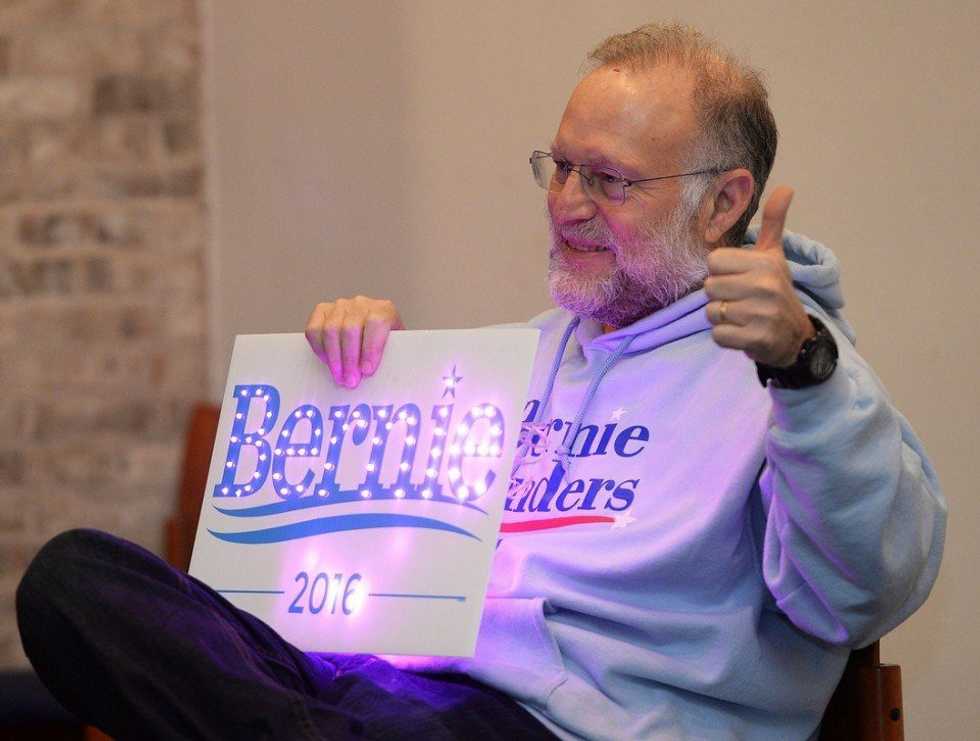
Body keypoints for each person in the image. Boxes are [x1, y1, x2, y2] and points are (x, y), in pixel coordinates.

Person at [16, 23, 945, 741]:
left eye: (609, 180)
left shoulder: (799, 377)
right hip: (381, 693)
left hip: (559, 728)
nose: (567, 204)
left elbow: (862, 593)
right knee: (75, 580)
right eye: (560, 167)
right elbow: (375, 572)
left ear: (724, 202)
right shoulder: (520, 356)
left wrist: (803, 371)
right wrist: (361, 393)